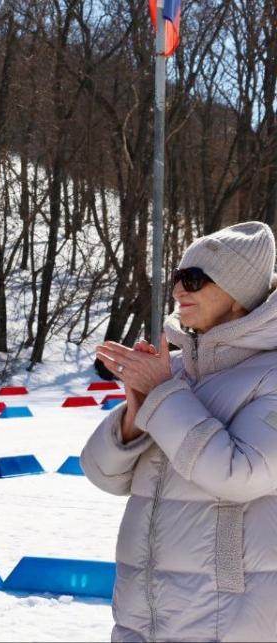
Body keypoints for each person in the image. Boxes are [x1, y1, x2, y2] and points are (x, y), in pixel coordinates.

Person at [83, 221, 277, 641]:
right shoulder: (175, 373)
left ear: (238, 294)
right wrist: (135, 416)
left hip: (228, 621)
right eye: (176, 278)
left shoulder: (272, 376)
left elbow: (240, 475)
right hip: (141, 618)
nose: (177, 291)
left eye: (193, 279)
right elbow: (103, 474)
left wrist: (163, 396)